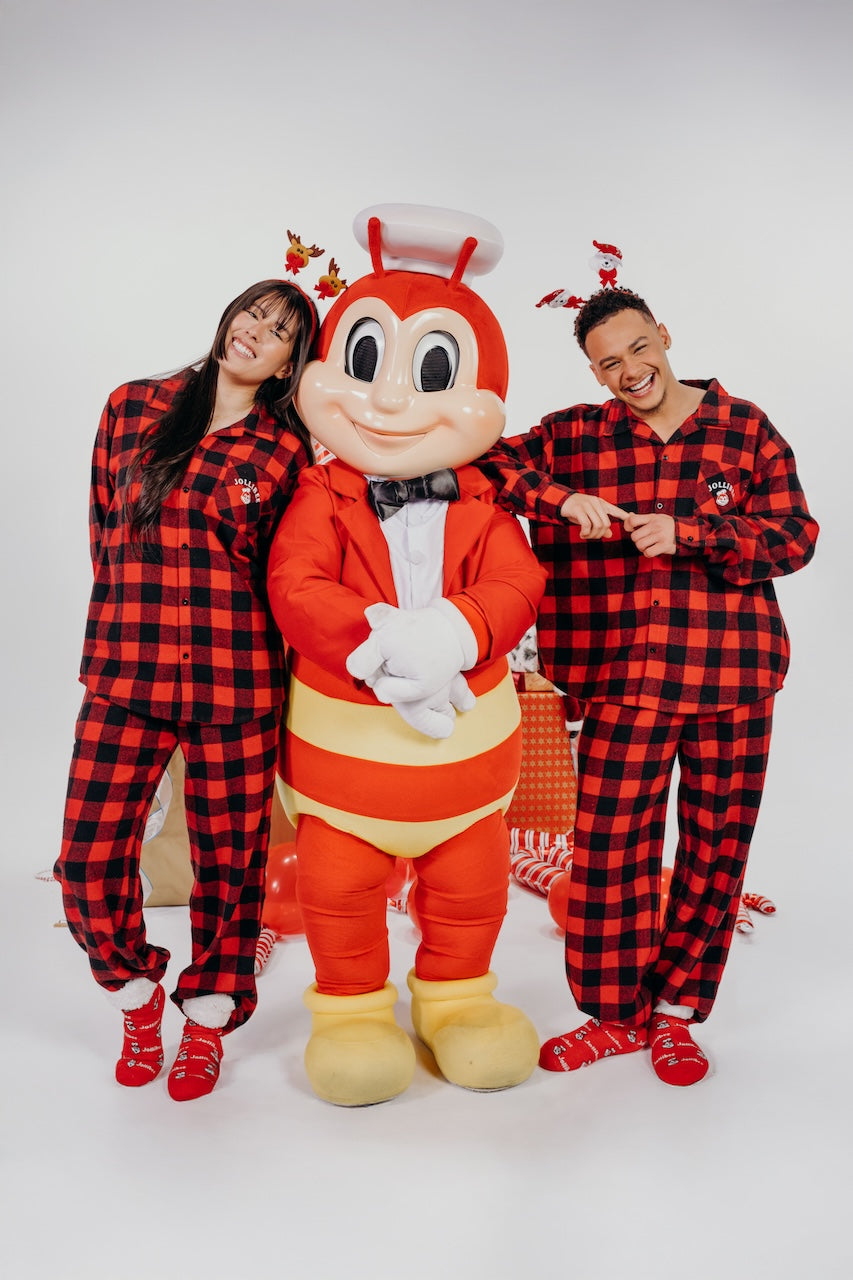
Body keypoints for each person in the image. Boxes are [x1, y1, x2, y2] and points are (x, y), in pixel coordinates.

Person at [480, 286, 818, 1086]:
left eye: (637, 349)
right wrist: (561, 500)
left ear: (663, 336)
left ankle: (674, 1018)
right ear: (592, 372)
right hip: (623, 681)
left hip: (732, 677)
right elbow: (489, 461)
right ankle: (612, 1018)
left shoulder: (744, 428)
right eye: (608, 363)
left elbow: (795, 536)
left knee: (713, 853)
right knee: (606, 854)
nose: (629, 371)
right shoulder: (572, 435)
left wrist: (693, 534)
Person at [54, 279, 318, 1101]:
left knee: (229, 868)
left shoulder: (284, 453)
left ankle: (206, 1020)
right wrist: (135, 617)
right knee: (87, 859)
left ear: (285, 366)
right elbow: (106, 531)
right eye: (253, 314)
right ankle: (136, 999)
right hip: (125, 670)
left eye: (279, 332)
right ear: (228, 317)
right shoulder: (131, 406)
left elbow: (282, 577)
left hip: (234, 686)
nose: (256, 332)